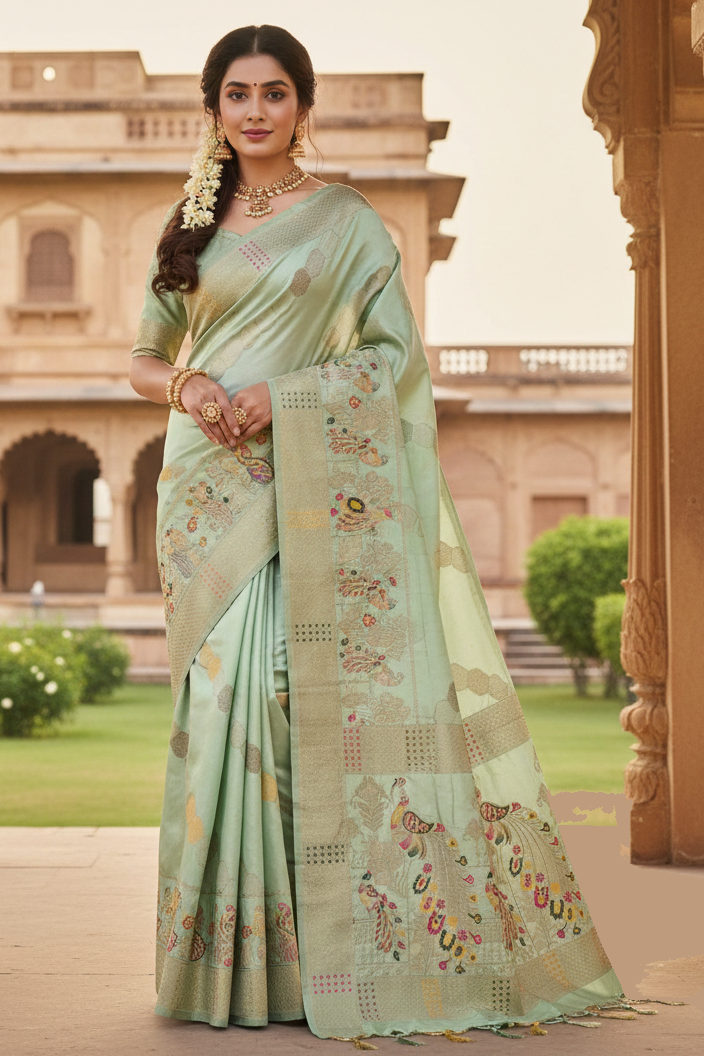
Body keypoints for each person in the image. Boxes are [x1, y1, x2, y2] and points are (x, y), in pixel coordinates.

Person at [129, 23, 628, 1046]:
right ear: (214, 109)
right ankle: (228, 968)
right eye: (236, 94)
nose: (255, 111)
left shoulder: (347, 221)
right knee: (222, 711)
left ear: (301, 107)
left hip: (305, 484)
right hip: (206, 493)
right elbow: (142, 358)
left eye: (274, 93)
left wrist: (288, 394)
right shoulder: (191, 222)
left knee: (282, 700)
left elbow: (395, 359)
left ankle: (319, 959)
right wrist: (190, 386)